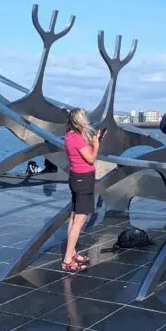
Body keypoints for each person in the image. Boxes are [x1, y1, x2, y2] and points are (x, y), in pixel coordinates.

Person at [62, 108, 102, 272]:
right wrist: (96, 144)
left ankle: (72, 253)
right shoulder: (77, 139)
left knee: (73, 217)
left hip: (75, 178)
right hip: (83, 179)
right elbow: (91, 158)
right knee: (79, 220)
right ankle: (67, 259)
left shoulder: (68, 136)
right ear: (80, 120)